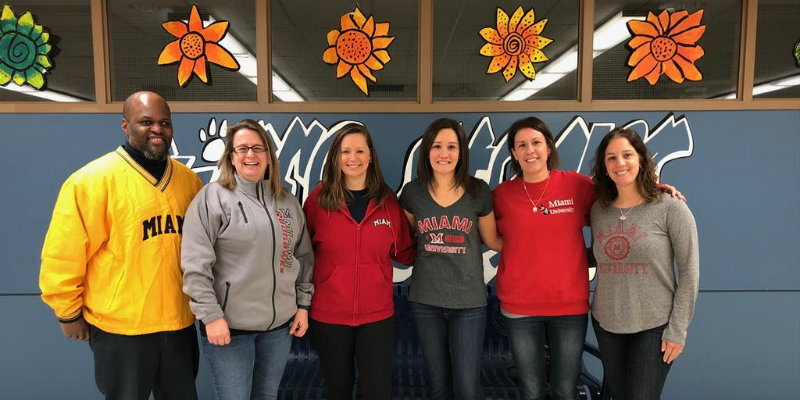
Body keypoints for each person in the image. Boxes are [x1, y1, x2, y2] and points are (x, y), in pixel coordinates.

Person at [39, 91, 203, 400]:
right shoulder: (91, 181)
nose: (157, 129)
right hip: (122, 328)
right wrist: (68, 312)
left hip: (179, 323)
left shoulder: (189, 181)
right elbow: (63, 253)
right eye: (146, 122)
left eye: (164, 122)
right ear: (125, 125)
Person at [180, 119, 314, 400]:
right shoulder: (213, 198)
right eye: (242, 148)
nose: (250, 155)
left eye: (257, 148)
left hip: (278, 330)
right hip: (230, 329)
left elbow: (302, 257)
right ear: (231, 156)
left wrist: (302, 305)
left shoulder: (287, 201)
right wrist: (211, 317)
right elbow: (195, 264)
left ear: (268, 155)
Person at [302, 122, 415, 400]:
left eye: (360, 151)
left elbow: (405, 251)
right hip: (329, 315)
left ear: (370, 156)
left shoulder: (388, 202)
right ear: (335, 157)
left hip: (376, 316)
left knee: (377, 392)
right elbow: (302, 255)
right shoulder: (317, 201)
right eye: (345, 151)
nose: (352, 158)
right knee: (337, 391)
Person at [589, 128, 699, 400]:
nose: (620, 163)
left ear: (641, 159)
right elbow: (600, 255)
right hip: (607, 323)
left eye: (627, 155)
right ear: (604, 165)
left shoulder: (670, 207)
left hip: (654, 325)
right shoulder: (598, 209)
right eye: (611, 158)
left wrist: (677, 330)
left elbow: (689, 272)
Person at [398, 118, 502, 400]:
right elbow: (404, 240)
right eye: (437, 146)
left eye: (452, 147)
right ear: (427, 151)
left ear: (461, 152)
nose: (444, 154)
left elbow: (494, 241)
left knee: (467, 389)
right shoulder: (412, 193)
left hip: (468, 303)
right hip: (425, 301)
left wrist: (539, 244)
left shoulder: (478, 191)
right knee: (438, 386)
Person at [492, 116, 594, 400]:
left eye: (536, 142)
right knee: (532, 390)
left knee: (565, 390)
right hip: (521, 307)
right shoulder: (501, 195)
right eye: (521, 145)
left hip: (569, 306)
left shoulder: (576, 186)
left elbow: (623, 197)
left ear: (548, 147)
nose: (530, 150)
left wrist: (656, 190)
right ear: (513, 153)